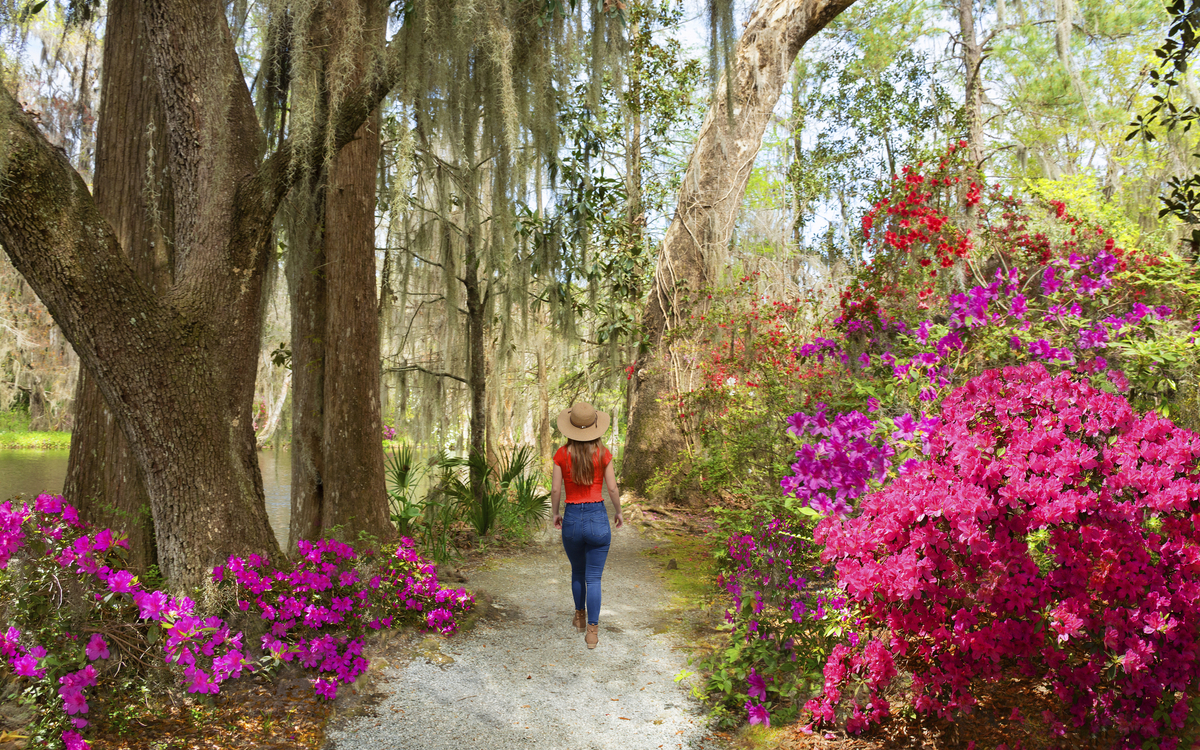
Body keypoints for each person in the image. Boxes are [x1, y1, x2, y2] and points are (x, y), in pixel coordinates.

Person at [551, 401, 623, 649]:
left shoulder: (561, 454)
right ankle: (592, 633)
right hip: (597, 517)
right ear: (595, 426)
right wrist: (619, 512)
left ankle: (579, 618)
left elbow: (556, 489)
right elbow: (612, 487)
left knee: (577, 572)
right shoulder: (603, 454)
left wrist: (555, 514)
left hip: (571, 517)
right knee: (594, 577)